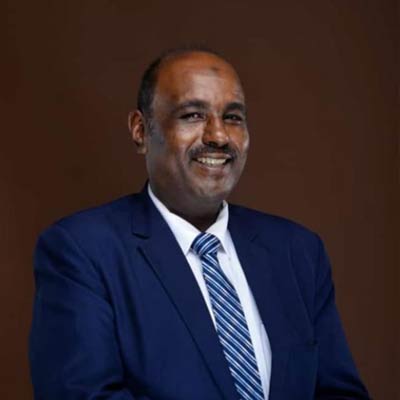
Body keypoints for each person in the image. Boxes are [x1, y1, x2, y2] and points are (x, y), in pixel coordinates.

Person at [29, 48, 370, 399]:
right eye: (192, 115)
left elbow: (339, 393)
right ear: (141, 131)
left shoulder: (297, 251)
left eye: (233, 117)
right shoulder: (83, 251)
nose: (218, 136)